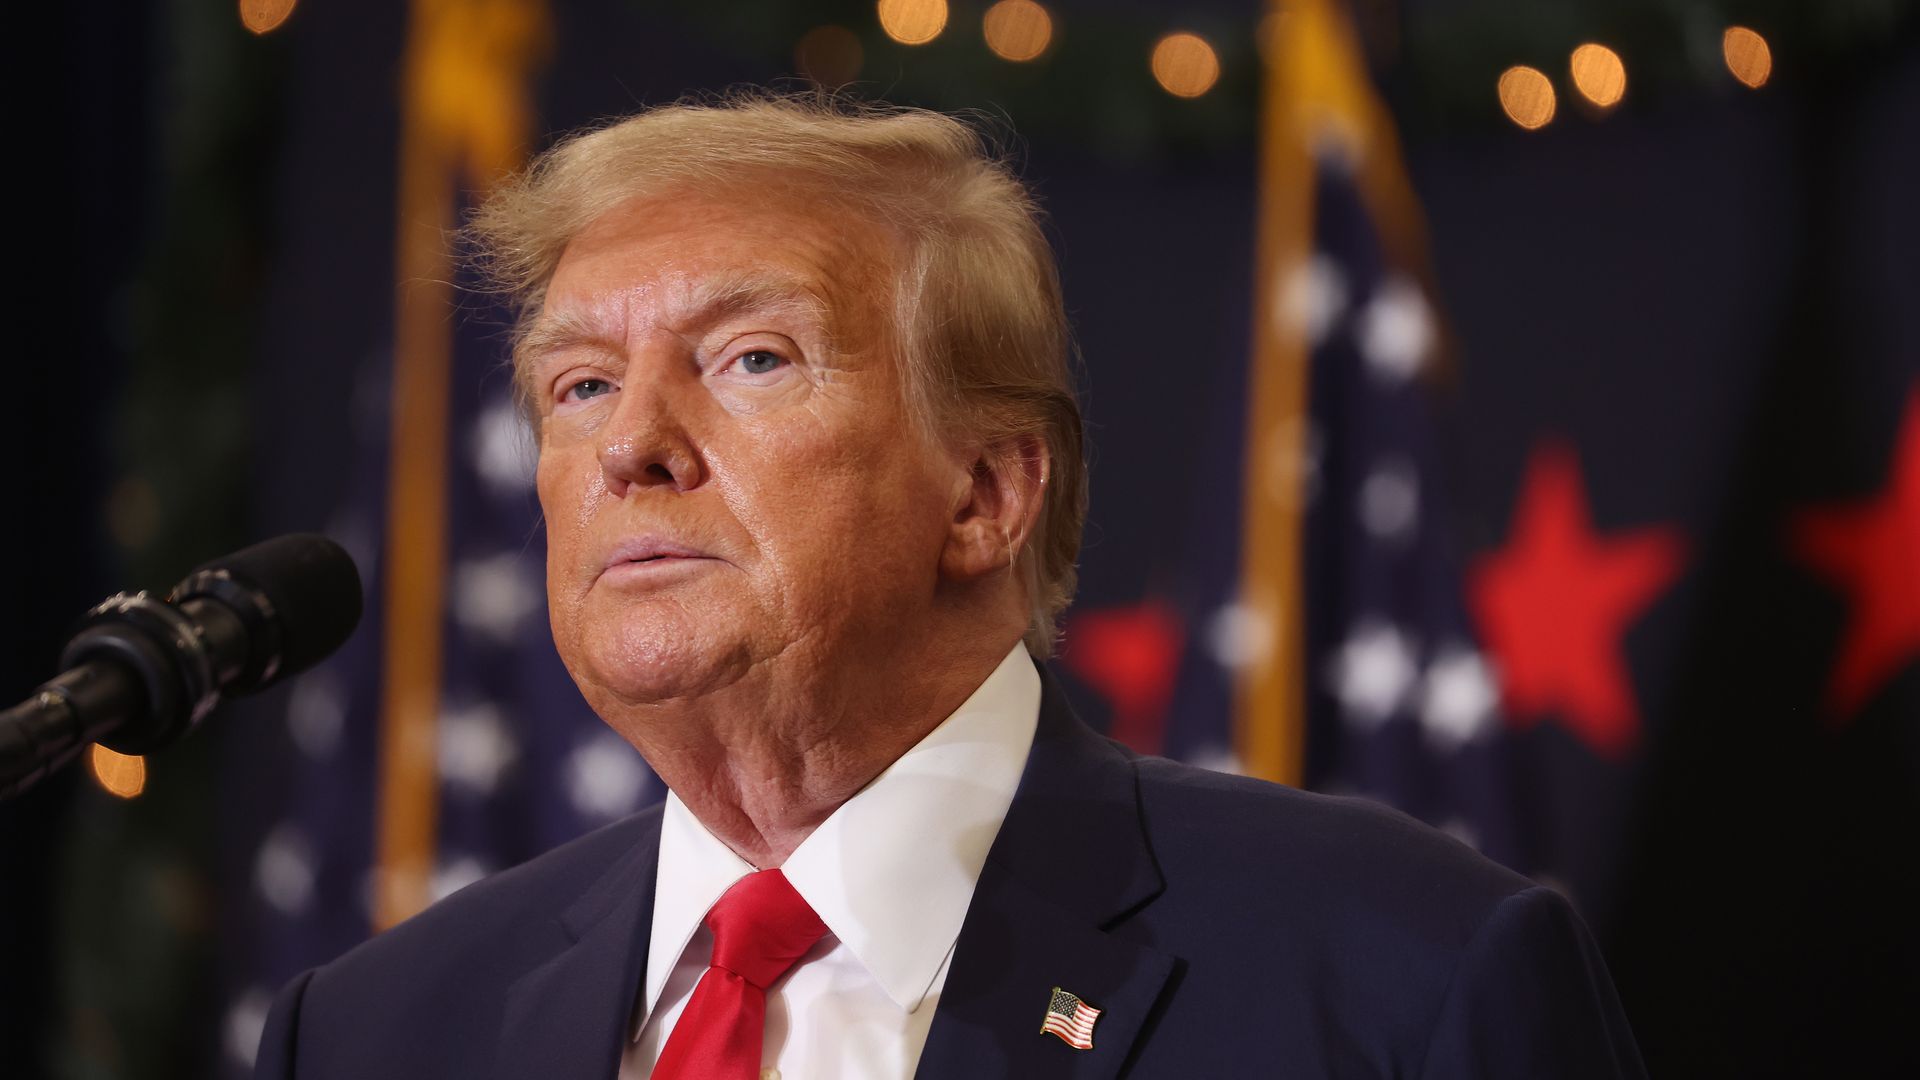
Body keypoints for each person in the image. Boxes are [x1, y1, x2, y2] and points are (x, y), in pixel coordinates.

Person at [254, 93, 1646, 1079]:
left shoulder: (1400, 981)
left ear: (984, 494)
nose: (630, 446)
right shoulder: (375, 1034)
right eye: (579, 384)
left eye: (752, 359)